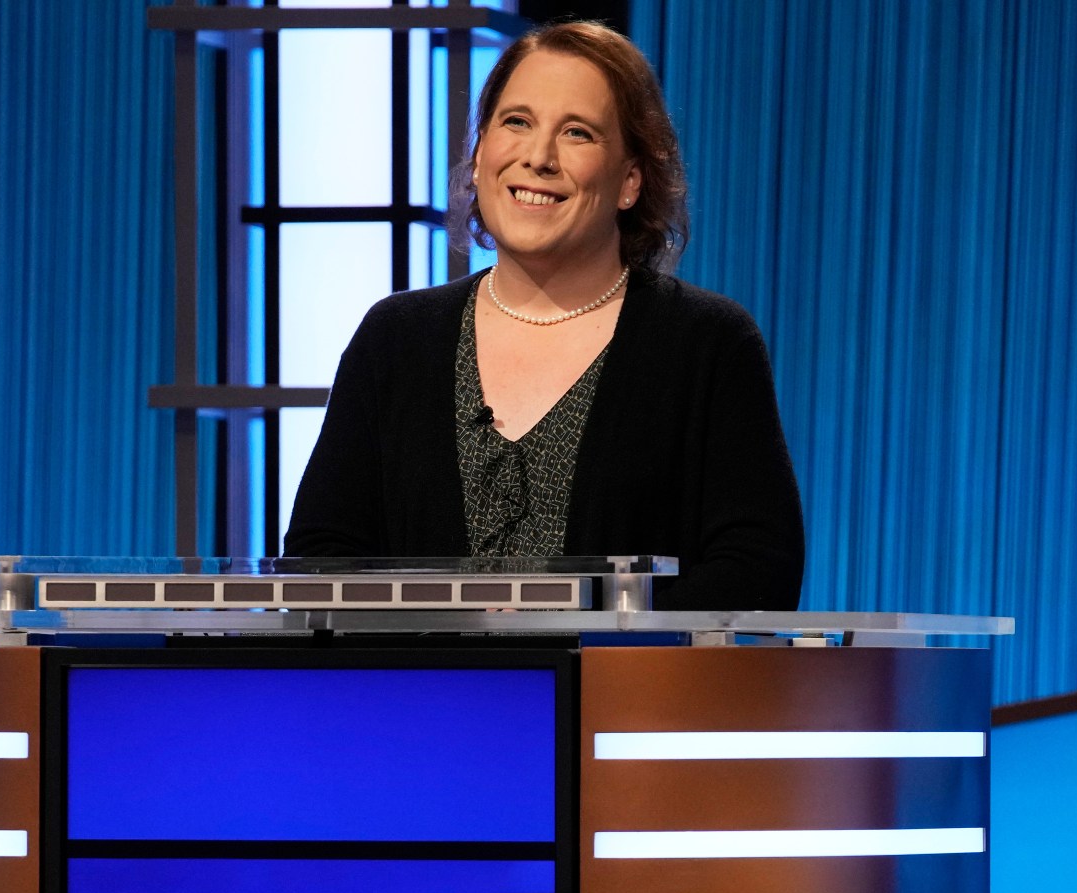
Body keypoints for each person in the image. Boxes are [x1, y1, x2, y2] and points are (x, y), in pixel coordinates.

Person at [284, 21, 804, 610]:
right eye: (516, 122)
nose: (538, 157)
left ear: (630, 180)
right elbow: (320, 559)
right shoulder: (397, 339)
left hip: (622, 675)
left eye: (577, 133)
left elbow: (758, 569)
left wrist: (589, 646)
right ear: (479, 156)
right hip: (424, 674)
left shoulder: (707, 343)